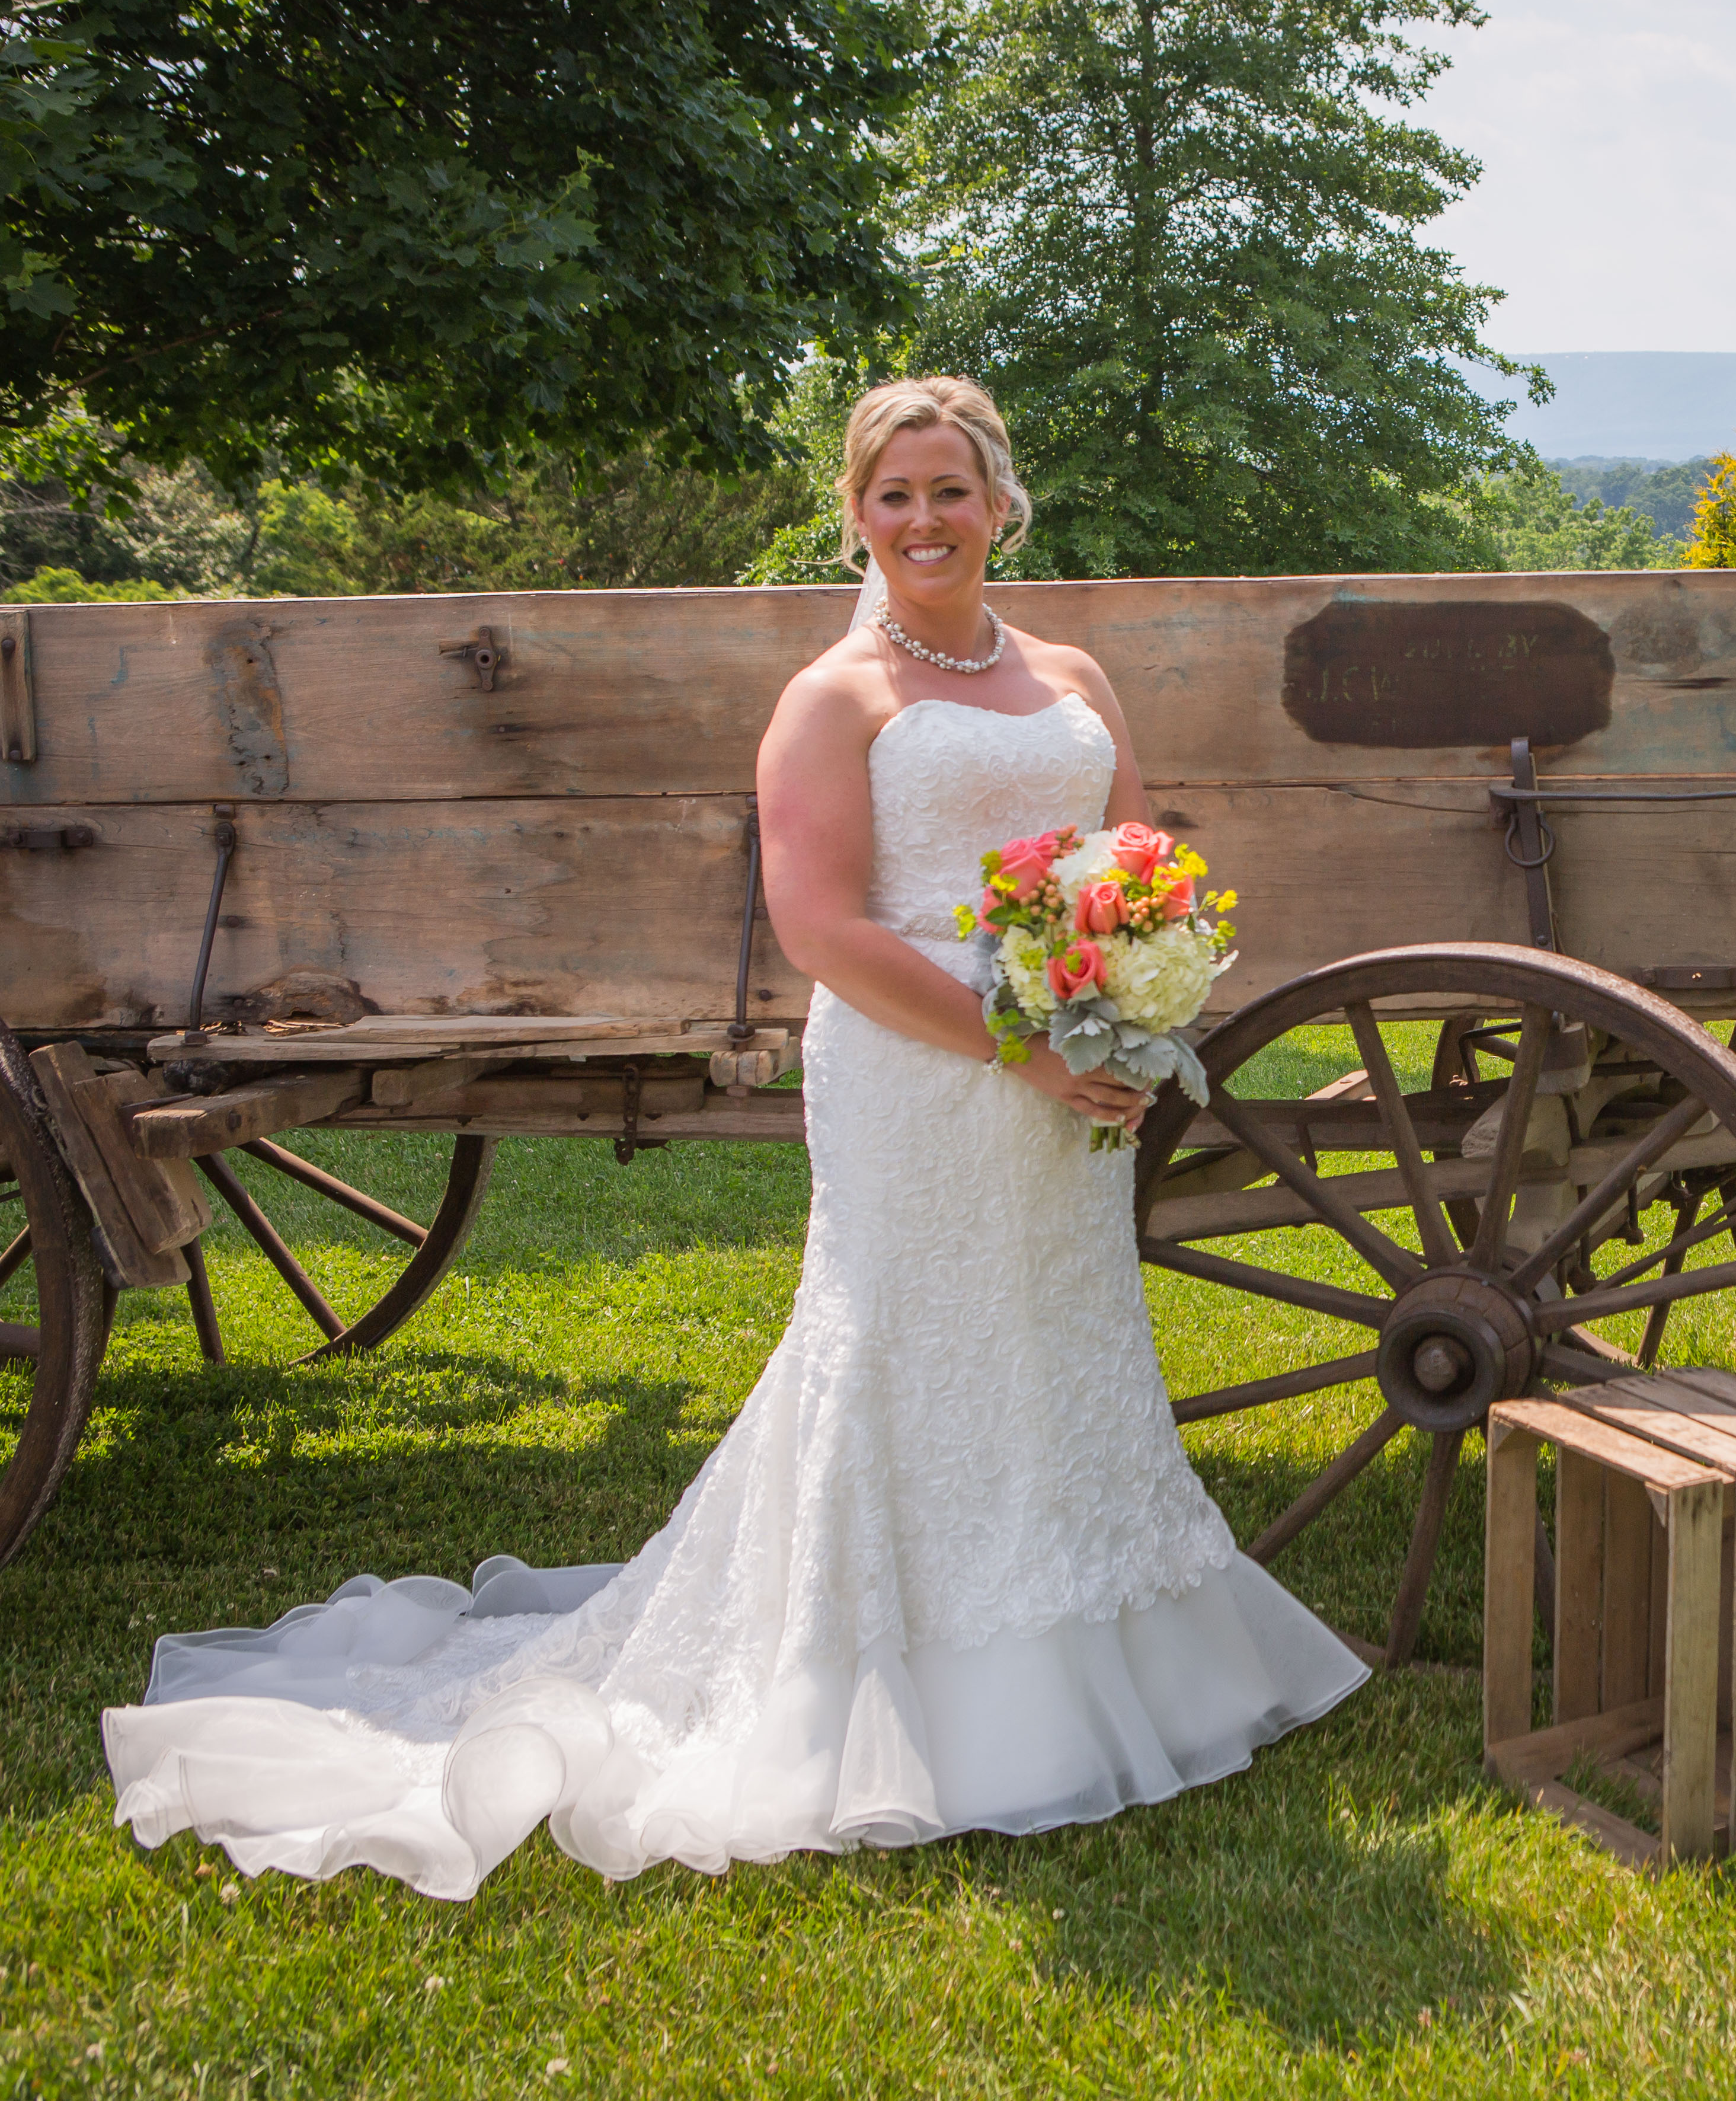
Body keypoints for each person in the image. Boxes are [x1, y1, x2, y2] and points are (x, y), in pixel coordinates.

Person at [100, 378, 1367, 1901]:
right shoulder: (833, 700)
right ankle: (887, 1689)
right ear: (857, 515)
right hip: (923, 1071)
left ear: (1000, 502)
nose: (924, 519)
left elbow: (1136, 862)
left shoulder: (1072, 675)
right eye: (893, 494)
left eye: (949, 490)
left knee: (1062, 1336)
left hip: (1065, 1061)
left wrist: (1127, 992)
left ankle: (1111, 1644)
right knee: (909, 1347)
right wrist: (1021, 1047)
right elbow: (820, 928)